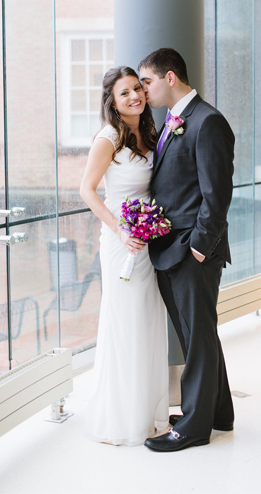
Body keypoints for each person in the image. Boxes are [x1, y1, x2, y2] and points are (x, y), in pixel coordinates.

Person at [139, 47, 235, 452]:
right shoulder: (172, 121)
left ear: (170, 77)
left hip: (192, 251)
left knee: (196, 338)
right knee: (199, 334)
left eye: (147, 81)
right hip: (171, 248)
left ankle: (194, 427)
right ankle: (217, 412)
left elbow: (217, 194)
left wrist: (198, 247)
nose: (144, 91)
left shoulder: (207, 121)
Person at [80, 66, 169, 446]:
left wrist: (149, 228)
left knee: (149, 321)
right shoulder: (108, 137)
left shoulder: (150, 131)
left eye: (137, 89)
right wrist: (121, 230)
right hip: (122, 243)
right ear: (112, 103)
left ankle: (148, 411)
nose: (134, 96)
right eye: (124, 93)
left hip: (149, 241)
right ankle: (122, 419)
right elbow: (86, 190)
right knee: (126, 323)